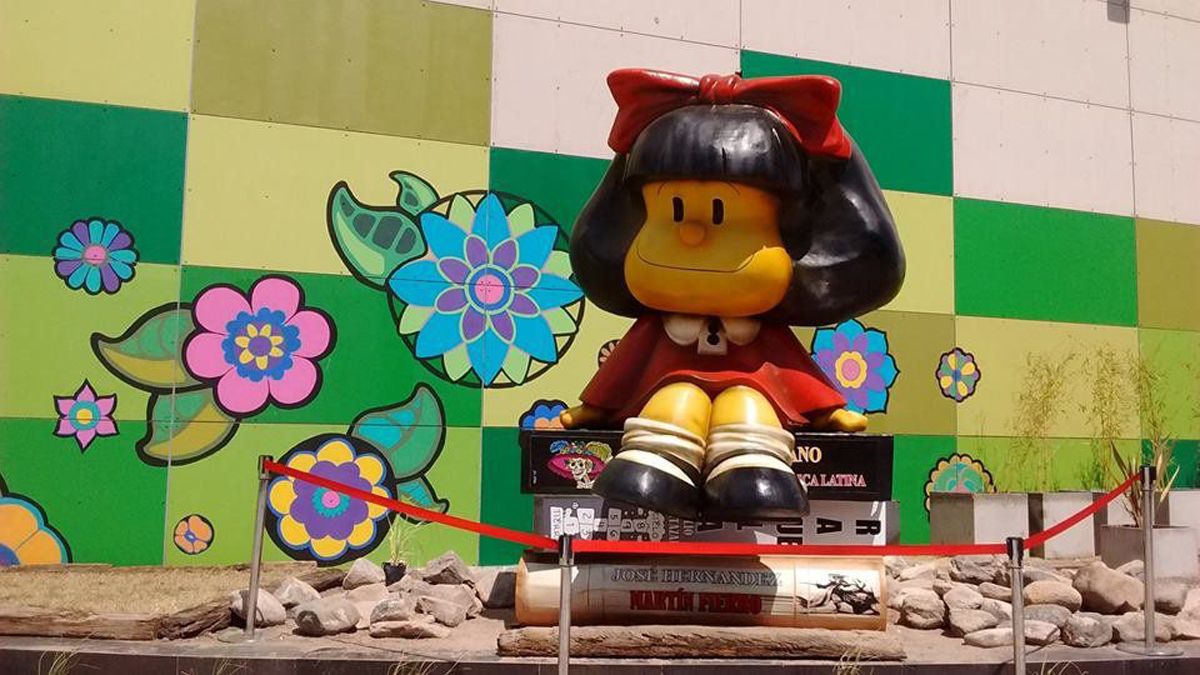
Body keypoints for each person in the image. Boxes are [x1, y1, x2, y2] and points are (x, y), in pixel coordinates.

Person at [561, 69, 904, 522]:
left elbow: (790, 369)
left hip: (752, 391)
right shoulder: (660, 326)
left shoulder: (762, 327)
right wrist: (595, 407)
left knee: (747, 407)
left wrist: (828, 411)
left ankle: (752, 468)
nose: (693, 233)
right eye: (674, 211)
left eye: (721, 214)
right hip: (669, 388)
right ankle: (654, 463)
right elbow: (628, 363)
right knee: (676, 401)